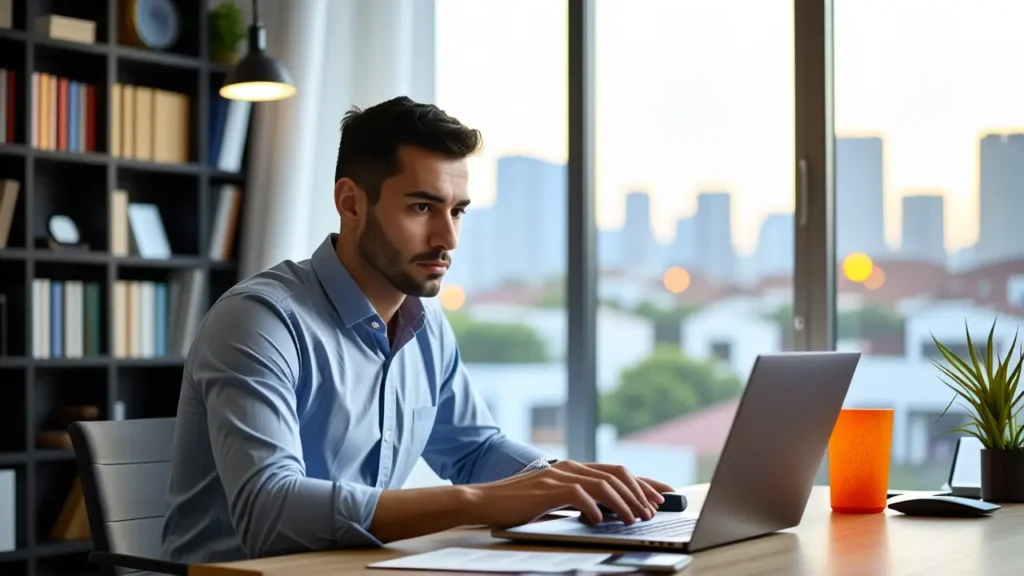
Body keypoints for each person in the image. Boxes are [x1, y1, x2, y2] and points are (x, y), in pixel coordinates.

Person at [160, 96, 673, 564]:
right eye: (422, 207)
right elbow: (268, 513)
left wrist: (563, 480)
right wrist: (480, 502)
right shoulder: (259, 320)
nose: (447, 237)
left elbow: (473, 450)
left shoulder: (426, 326)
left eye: (458, 211)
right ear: (351, 202)